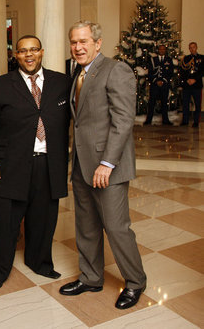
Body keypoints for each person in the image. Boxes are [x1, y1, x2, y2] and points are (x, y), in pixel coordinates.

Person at [59, 21, 146, 310]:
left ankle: (135, 282)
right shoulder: (77, 73)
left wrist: (107, 163)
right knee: (86, 226)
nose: (77, 47)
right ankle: (91, 277)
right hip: (82, 164)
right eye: (73, 42)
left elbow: (123, 121)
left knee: (117, 227)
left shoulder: (115, 69)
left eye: (83, 41)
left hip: (108, 166)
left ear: (98, 43)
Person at [0, 35, 71, 293]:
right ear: (15, 55)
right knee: (6, 224)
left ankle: (39, 262)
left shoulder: (62, 83)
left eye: (34, 50)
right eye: (22, 51)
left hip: (48, 166)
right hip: (10, 167)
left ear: (42, 52)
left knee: (44, 220)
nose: (29, 55)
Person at [144, 44, 173, 125]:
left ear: (165, 50)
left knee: (164, 102)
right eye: (160, 49)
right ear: (158, 50)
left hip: (164, 84)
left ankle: (165, 120)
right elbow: (150, 72)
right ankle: (148, 120)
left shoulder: (169, 60)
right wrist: (156, 80)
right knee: (152, 102)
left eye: (163, 49)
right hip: (154, 84)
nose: (162, 51)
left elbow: (170, 72)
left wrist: (163, 80)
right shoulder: (153, 59)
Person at [180, 42, 203, 127]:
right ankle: (185, 121)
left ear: (196, 47)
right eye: (190, 47)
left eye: (193, 47)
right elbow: (182, 71)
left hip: (197, 85)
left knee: (197, 104)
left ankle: (196, 121)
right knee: (185, 104)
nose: (192, 49)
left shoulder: (202, 58)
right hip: (187, 85)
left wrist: (195, 79)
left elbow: (202, 71)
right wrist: (187, 80)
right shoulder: (186, 58)